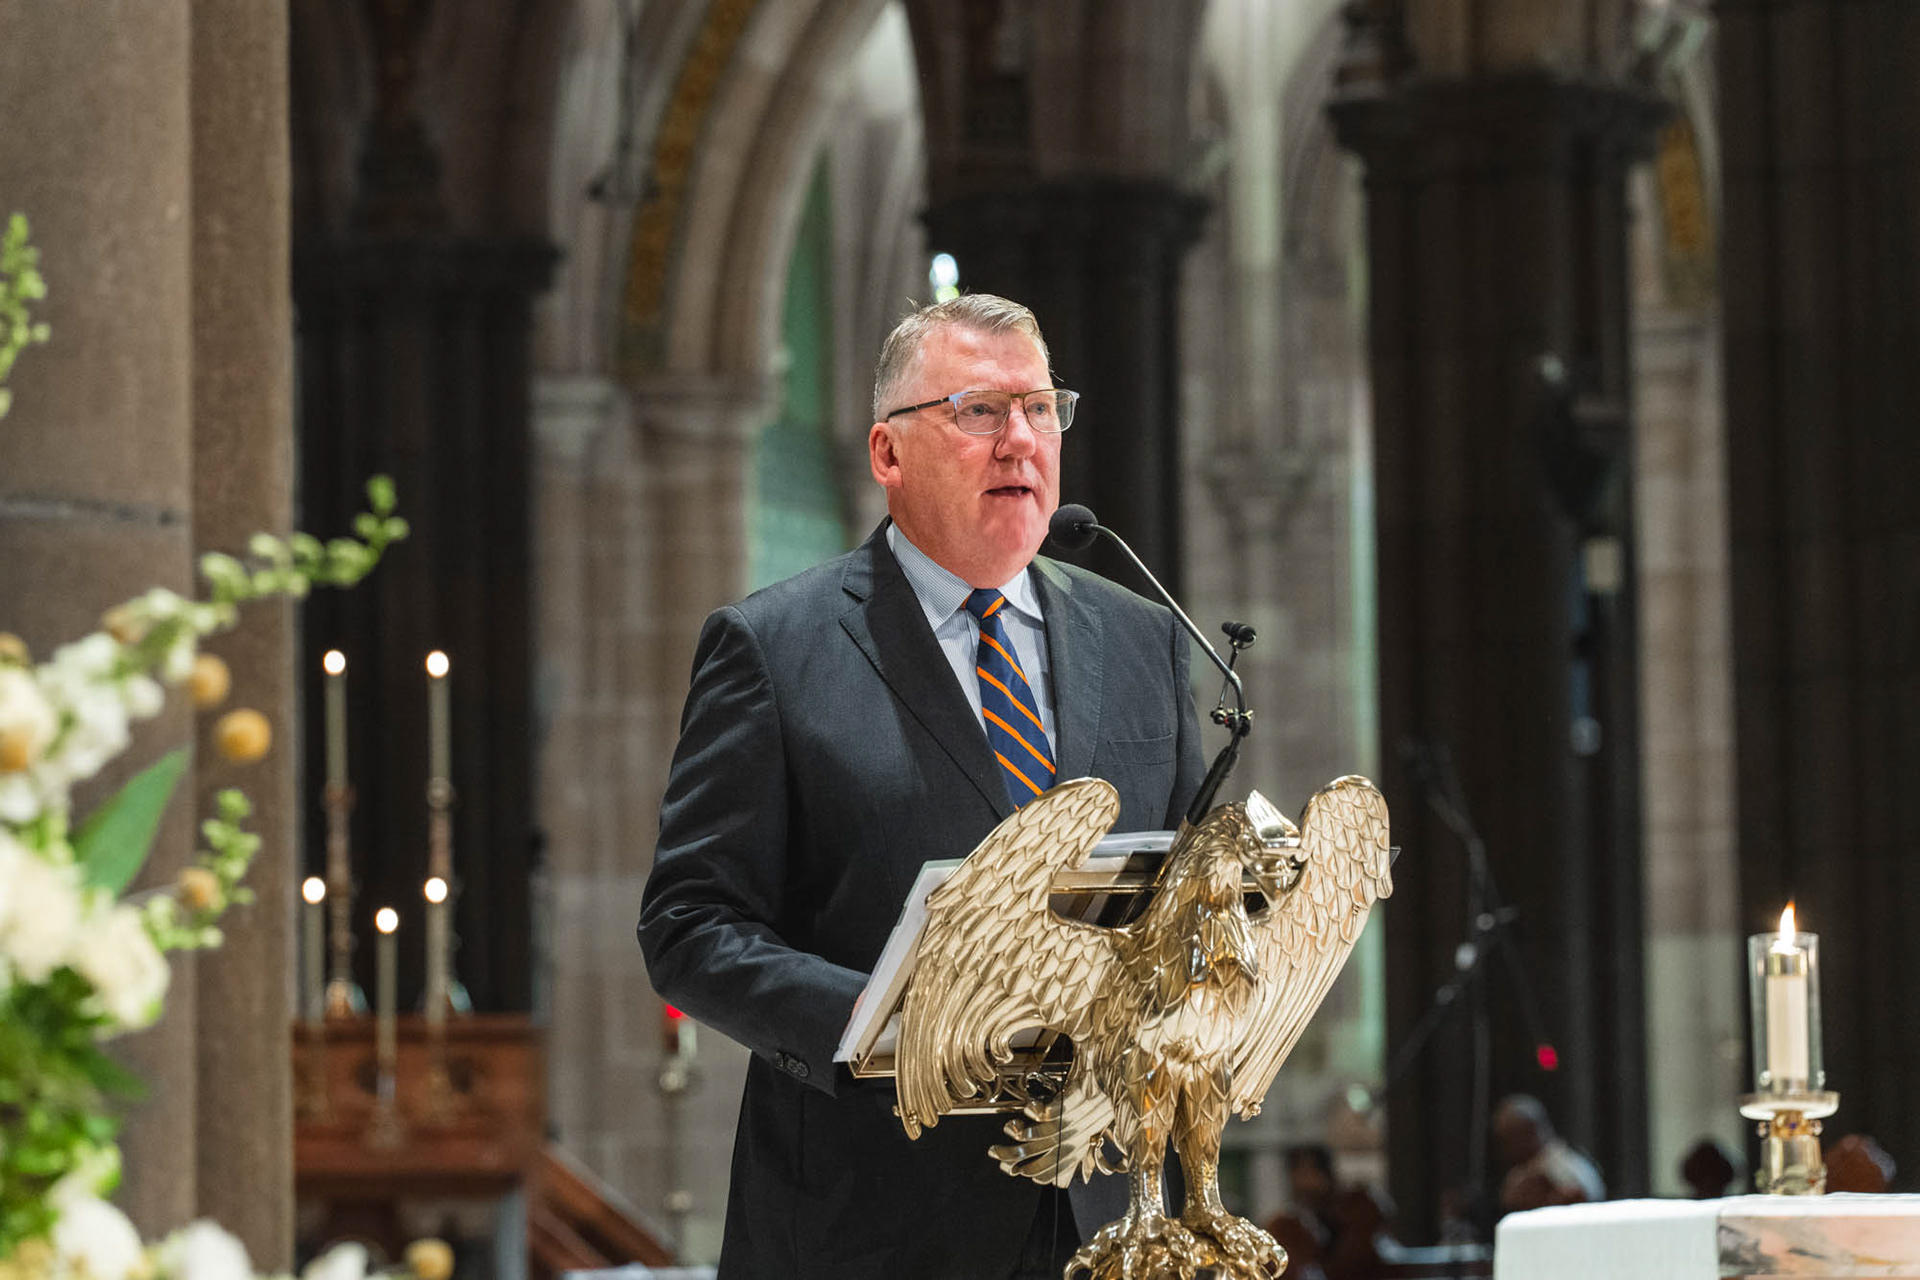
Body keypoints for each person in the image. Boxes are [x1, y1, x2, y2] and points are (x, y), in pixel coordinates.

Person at [638, 293, 1206, 1279]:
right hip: (874, 1219)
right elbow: (689, 927)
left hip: (1108, 1213)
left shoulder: (1144, 636)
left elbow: (1188, 884)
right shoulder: (774, 649)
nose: (1019, 440)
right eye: (979, 411)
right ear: (887, 453)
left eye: (1040, 408)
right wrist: (886, 1024)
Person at [1492, 1094, 1605, 1214]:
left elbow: (1587, 1196)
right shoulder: (1520, 1172)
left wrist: (1550, 1200)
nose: (1507, 1147)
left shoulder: (1565, 1164)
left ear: (1531, 1131)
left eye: (1512, 1136)